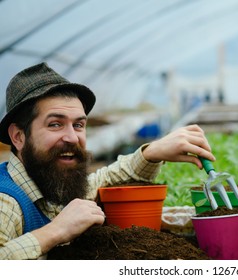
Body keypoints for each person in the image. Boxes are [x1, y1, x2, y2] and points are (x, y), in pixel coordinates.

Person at [0, 62, 216, 259]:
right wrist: (56, 231)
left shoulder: (52, 184)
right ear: (18, 136)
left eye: (78, 125)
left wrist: (151, 153)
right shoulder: (6, 202)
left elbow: (104, 179)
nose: (72, 137)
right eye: (55, 124)